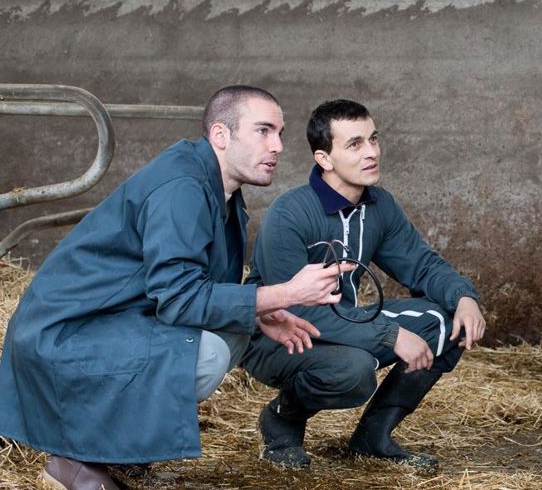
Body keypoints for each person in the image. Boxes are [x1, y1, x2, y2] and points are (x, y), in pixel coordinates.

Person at [0, 86, 351, 490]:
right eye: (263, 131)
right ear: (221, 135)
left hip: (104, 322)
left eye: (280, 133)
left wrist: (259, 310)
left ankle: (118, 448)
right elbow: (181, 298)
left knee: (232, 332)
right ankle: (75, 461)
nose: (277, 146)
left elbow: (197, 287)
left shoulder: (218, 185)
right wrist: (286, 293)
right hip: (63, 337)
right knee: (205, 353)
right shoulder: (183, 186)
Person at [240, 99, 486, 469]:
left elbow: (420, 264)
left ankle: (373, 437)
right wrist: (390, 336)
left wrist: (464, 296)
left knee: (447, 321)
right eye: (354, 144)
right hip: (280, 337)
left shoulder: (379, 206)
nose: (371, 152)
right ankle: (283, 418)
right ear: (324, 159)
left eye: (373, 139)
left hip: (348, 321)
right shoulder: (289, 214)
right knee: (352, 371)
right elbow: (294, 310)